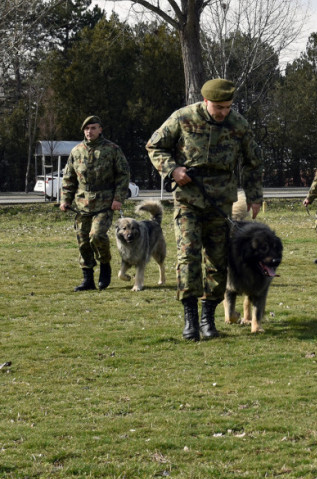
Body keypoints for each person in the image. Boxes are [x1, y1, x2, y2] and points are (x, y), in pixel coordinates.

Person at [146, 78, 263, 341]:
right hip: (188, 199)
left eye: (228, 107)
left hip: (220, 203)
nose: (224, 112)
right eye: (219, 107)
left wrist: (255, 196)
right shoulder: (183, 117)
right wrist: (173, 170)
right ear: (206, 101)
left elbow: (253, 162)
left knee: (217, 261)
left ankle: (208, 318)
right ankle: (190, 319)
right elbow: (154, 145)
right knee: (188, 258)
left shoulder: (239, 124)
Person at [60, 116, 131, 292]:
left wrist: (118, 198)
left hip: (105, 202)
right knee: (83, 240)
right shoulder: (76, 151)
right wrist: (65, 200)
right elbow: (69, 178)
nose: (89, 131)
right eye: (86, 129)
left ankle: (105, 265)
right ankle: (88, 279)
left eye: (93, 128)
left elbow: (123, 175)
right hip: (82, 204)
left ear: (100, 129)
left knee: (97, 235)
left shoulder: (112, 149)